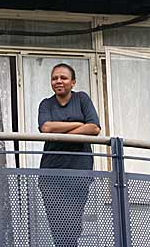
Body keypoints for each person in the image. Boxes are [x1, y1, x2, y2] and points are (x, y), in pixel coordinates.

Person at [38, 63, 101, 247]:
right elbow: (46, 127)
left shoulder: (82, 99)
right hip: (51, 174)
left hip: (79, 172)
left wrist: (61, 134)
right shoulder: (46, 103)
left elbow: (94, 127)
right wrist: (78, 124)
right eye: (54, 78)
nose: (59, 81)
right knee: (57, 225)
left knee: (73, 224)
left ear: (73, 82)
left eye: (63, 78)